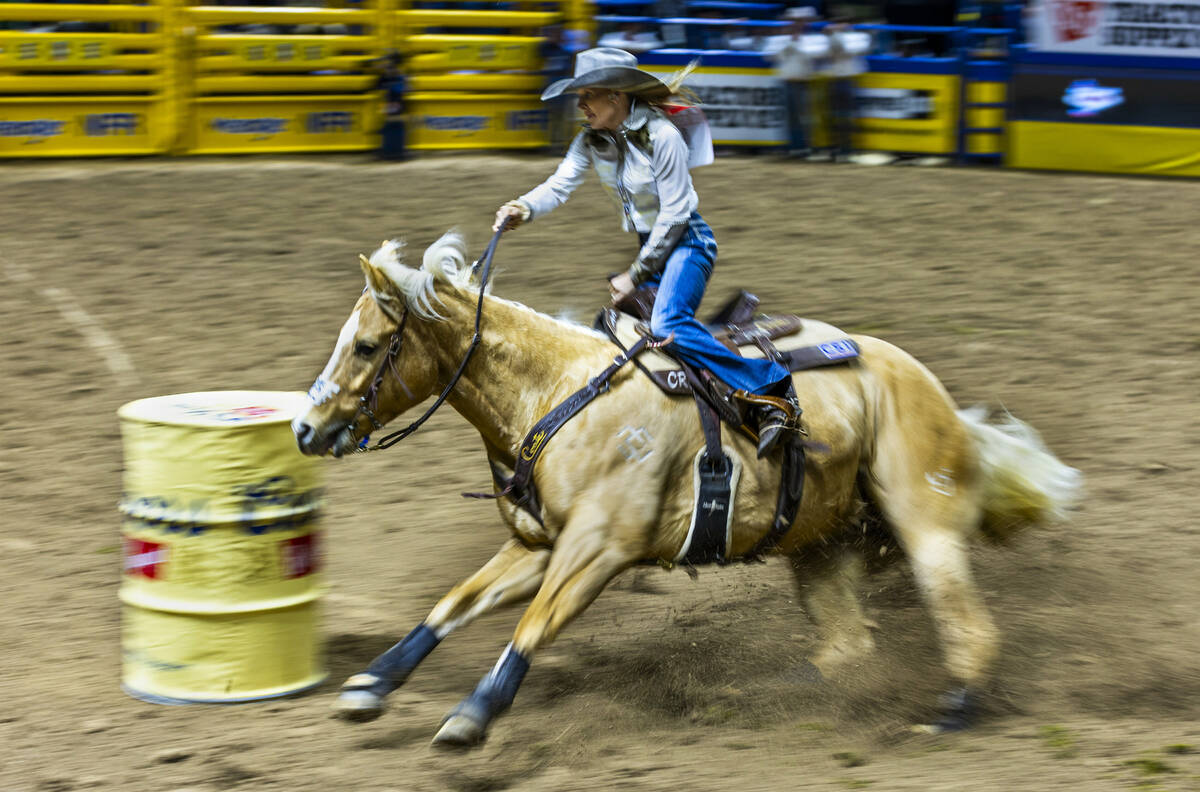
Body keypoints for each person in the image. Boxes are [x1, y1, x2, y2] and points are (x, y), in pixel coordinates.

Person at [492, 47, 799, 457]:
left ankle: (772, 386)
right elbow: (559, 184)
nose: (581, 105)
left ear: (616, 97)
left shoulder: (663, 137)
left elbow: (674, 217)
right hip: (651, 247)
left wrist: (634, 275)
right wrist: (523, 207)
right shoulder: (590, 140)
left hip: (688, 242)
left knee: (667, 321)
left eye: (587, 96)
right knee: (615, 333)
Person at [763, 6, 828, 157]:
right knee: (790, 116)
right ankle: (793, 146)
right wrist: (789, 43)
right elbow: (769, 56)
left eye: (799, 21)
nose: (796, 24)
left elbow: (818, 55)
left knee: (807, 115)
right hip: (786, 80)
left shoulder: (814, 39)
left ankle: (807, 146)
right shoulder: (779, 39)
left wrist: (796, 44)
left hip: (805, 81)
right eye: (793, 21)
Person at [824, 21, 871, 162]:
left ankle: (847, 149)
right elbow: (833, 50)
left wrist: (837, 33)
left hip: (847, 80)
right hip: (836, 80)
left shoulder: (853, 40)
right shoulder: (834, 39)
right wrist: (835, 33)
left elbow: (848, 49)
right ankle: (836, 148)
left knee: (847, 117)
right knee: (836, 117)